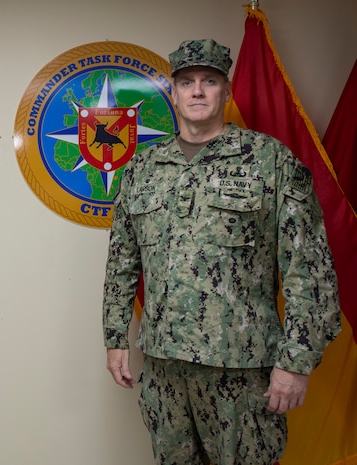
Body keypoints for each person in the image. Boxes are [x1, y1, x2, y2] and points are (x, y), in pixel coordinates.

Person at [102, 39, 341, 465]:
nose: (197, 91)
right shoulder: (142, 169)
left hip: (242, 370)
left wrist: (297, 362)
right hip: (164, 368)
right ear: (173, 93)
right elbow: (122, 261)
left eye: (209, 81)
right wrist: (116, 338)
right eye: (187, 82)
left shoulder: (269, 160)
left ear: (226, 92)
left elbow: (310, 269)